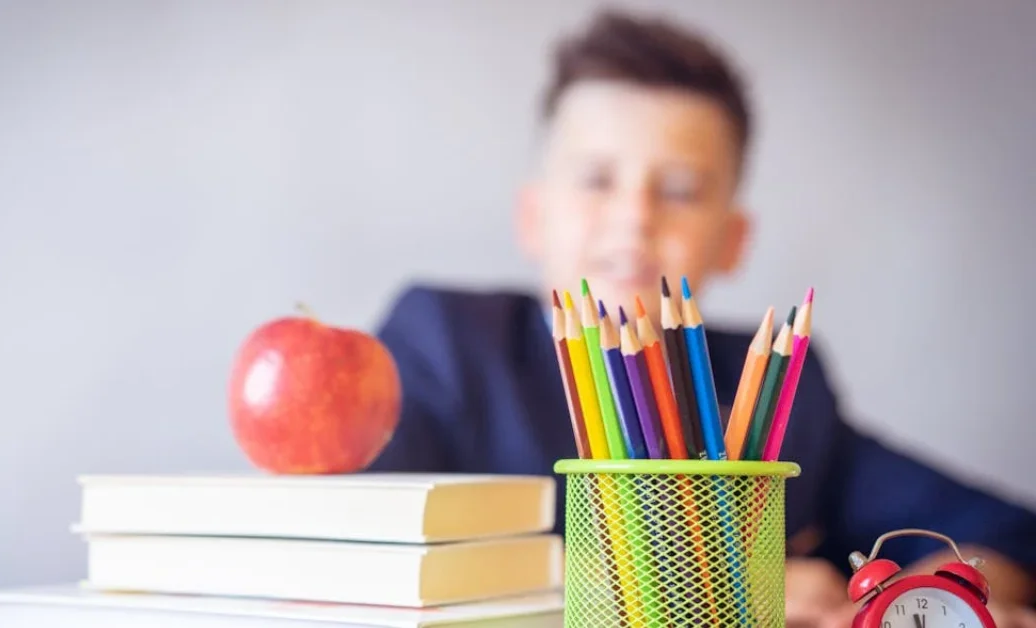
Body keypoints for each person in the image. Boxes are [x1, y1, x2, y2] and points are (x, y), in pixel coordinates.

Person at [365, 8, 1036, 627]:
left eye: (681, 190)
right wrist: (728, 589)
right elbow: (363, 551)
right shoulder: (445, 343)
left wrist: (924, 602)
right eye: (598, 179)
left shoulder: (775, 384)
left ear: (733, 240)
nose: (635, 216)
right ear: (533, 217)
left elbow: (1008, 532)